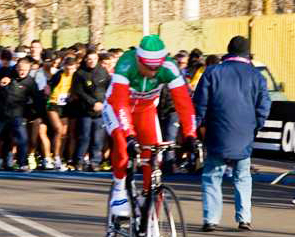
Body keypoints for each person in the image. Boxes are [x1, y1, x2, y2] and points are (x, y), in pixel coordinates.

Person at [105, 35, 199, 217]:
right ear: (139, 60)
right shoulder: (126, 64)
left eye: (157, 67)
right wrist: (130, 134)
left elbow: (184, 103)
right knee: (122, 144)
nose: (154, 72)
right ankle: (119, 189)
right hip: (117, 107)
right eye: (149, 67)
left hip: (145, 110)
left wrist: (190, 134)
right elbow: (121, 103)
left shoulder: (169, 67)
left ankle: (147, 200)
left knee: (154, 155)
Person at [193, 36, 271, 232]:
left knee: (212, 175)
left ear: (228, 51)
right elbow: (264, 105)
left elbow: (200, 103)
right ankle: (244, 218)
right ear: (247, 53)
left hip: (217, 131)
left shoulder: (211, 73)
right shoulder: (257, 76)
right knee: (242, 176)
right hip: (245, 133)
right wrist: (256, 125)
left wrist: (199, 126)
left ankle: (210, 219)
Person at [0, 58, 39, 172]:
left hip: (17, 115)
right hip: (0, 113)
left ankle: (22, 163)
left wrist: (35, 115)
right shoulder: (6, 73)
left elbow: (37, 99)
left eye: (26, 70)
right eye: (21, 70)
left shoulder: (30, 82)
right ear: (16, 68)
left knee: (23, 139)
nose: (23, 72)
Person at [71, 51, 109, 171]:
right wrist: (93, 103)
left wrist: (103, 103)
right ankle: (79, 161)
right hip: (85, 110)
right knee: (84, 137)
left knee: (98, 138)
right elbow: (79, 92)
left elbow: (108, 88)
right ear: (85, 60)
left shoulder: (103, 71)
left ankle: (95, 162)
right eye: (89, 59)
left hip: (100, 111)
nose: (92, 61)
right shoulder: (79, 73)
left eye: (94, 59)